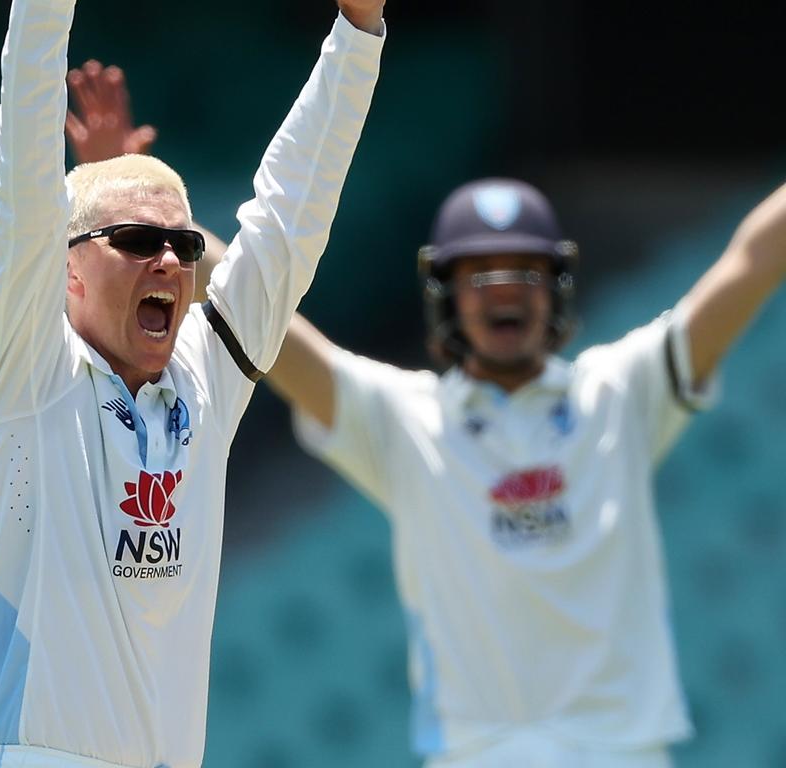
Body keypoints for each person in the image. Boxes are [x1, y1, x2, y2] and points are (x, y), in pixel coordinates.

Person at [64, 58, 786, 768]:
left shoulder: (619, 395)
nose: (504, 292)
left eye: (523, 273)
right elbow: (267, 326)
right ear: (446, 294)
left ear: (556, 289)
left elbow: (751, 263)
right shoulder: (408, 420)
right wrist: (132, 220)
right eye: (480, 275)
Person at [0, 1, 385, 767]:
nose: (165, 260)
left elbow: (292, 216)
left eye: (180, 244)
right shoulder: (23, 372)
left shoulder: (204, 379)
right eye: (133, 241)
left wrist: (357, 29)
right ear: (67, 268)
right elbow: (23, 184)